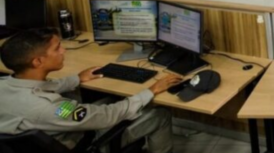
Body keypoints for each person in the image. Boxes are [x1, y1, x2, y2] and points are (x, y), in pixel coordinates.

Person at [0, 28, 183, 153]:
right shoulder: (54, 108)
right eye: (57, 48)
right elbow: (107, 115)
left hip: (39, 138)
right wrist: (151, 90)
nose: (64, 51)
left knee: (109, 100)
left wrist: (77, 79)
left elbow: (40, 88)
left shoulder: (6, 84)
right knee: (159, 114)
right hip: (83, 143)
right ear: (38, 61)